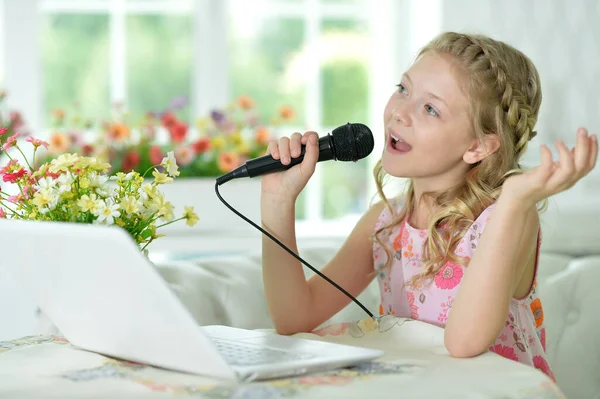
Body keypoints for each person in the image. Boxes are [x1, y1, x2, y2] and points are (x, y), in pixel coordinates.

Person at [259, 31, 598, 381]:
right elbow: (294, 318)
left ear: (478, 147)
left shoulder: (509, 216)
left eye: (431, 108)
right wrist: (277, 203)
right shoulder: (385, 224)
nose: (400, 113)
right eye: (403, 89)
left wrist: (515, 200)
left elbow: (465, 342)